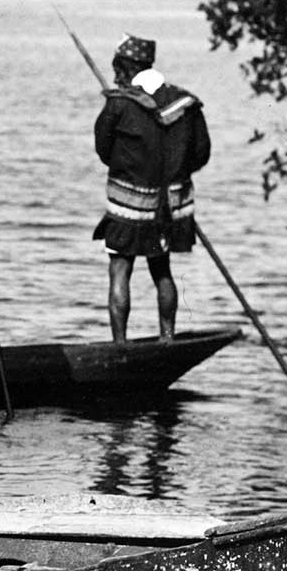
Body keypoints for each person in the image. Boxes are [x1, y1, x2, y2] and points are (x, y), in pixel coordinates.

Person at [93, 34, 211, 343]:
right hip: (172, 204)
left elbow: (104, 151)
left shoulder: (118, 104)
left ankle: (120, 344)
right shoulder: (186, 103)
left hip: (128, 204)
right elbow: (201, 154)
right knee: (162, 270)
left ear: (123, 67)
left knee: (120, 269)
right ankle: (167, 339)